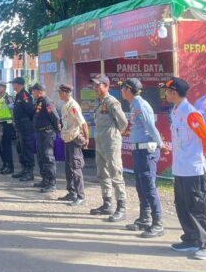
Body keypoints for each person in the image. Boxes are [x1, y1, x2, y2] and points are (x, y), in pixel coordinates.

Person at [161, 77, 206, 261]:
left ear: (174, 93)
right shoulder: (176, 111)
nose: (165, 94)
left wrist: (202, 154)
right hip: (180, 168)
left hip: (193, 169)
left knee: (197, 208)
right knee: (182, 206)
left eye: (167, 91)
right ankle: (191, 238)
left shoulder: (191, 114)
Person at [120, 78, 164, 237]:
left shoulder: (140, 104)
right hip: (139, 150)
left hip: (146, 151)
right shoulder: (134, 104)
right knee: (140, 185)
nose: (121, 91)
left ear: (128, 89)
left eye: (123, 88)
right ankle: (145, 218)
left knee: (149, 186)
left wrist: (160, 143)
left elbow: (150, 126)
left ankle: (158, 223)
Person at [89, 74, 129, 221]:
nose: (95, 87)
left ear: (106, 86)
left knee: (115, 174)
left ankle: (121, 207)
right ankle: (107, 204)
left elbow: (123, 123)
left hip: (111, 143)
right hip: (100, 143)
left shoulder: (112, 102)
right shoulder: (99, 102)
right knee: (102, 173)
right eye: (94, 85)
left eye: (98, 85)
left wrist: (114, 134)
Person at [57, 83, 89, 206]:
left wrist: (86, 138)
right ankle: (72, 193)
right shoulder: (65, 105)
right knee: (68, 168)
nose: (59, 94)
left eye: (60, 92)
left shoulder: (73, 106)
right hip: (67, 139)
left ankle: (80, 196)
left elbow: (83, 123)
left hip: (74, 139)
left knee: (76, 168)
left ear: (65, 93)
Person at [31, 83, 60, 192]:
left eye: (33, 91)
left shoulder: (47, 102)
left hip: (47, 133)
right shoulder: (39, 102)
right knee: (41, 157)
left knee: (48, 158)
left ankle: (52, 183)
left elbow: (55, 117)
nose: (32, 93)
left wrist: (56, 131)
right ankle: (45, 180)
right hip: (40, 133)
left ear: (39, 91)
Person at [12, 77, 36, 182]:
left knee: (27, 148)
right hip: (19, 126)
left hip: (25, 125)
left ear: (18, 84)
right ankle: (24, 169)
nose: (13, 85)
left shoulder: (25, 95)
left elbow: (30, 111)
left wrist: (26, 122)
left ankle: (29, 172)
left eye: (14, 83)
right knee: (20, 148)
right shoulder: (18, 95)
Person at [0, 82, 15, 175]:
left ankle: (10, 166)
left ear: (4, 88)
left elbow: (12, 109)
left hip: (6, 124)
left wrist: (13, 122)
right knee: (0, 146)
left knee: (6, 146)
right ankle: (4, 164)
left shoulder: (8, 98)